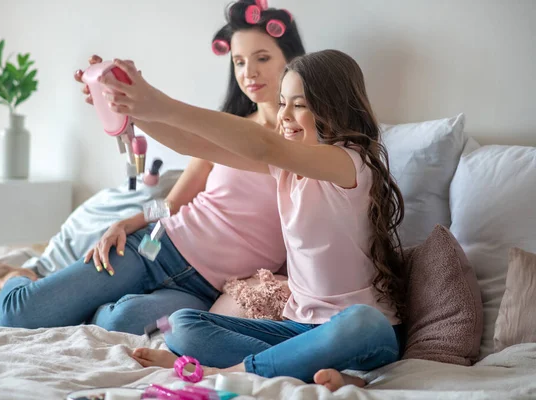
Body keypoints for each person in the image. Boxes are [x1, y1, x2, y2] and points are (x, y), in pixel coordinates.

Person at [0, 0, 305, 335]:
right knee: (17, 312)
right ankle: (8, 275)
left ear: (292, 61)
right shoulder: (226, 127)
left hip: (202, 291)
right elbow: (172, 202)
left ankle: (81, 298)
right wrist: (126, 222)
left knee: (117, 324)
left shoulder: (309, 149)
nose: (249, 72)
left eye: (262, 58)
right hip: (155, 248)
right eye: (239, 61)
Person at [96, 49, 407, 391]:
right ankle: (312, 372)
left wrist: (160, 103)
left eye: (299, 105)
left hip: (358, 333)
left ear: (335, 107)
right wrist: (130, 108)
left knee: (363, 321)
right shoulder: (284, 167)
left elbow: (264, 146)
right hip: (297, 328)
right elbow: (191, 146)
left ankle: (221, 373)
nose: (284, 116)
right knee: (180, 325)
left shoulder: (350, 162)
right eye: (282, 102)